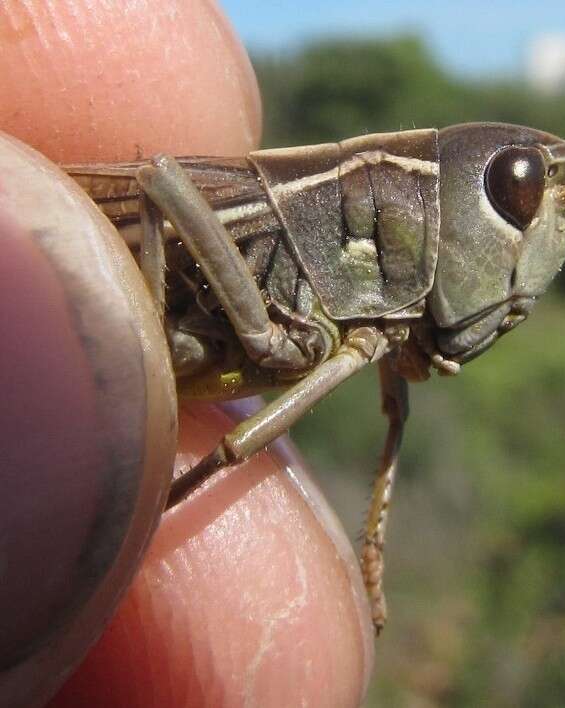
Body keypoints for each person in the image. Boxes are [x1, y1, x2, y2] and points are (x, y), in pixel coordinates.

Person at [0, 2, 374, 706]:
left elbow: (399, 372)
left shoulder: (369, 340)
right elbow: (160, 183)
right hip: (113, 290)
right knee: (161, 179)